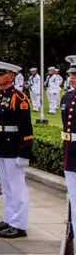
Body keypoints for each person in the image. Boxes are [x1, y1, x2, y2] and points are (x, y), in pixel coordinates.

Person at [0, 61, 34, 239]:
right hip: (2, 147)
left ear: (11, 76)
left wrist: (24, 153)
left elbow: (26, 128)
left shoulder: (19, 98)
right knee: (6, 187)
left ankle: (19, 224)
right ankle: (9, 219)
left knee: (17, 188)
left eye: (1, 74)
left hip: (14, 148)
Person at [61, 55, 76, 244]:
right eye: (71, 74)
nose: (72, 77)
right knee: (73, 198)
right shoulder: (68, 96)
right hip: (70, 153)